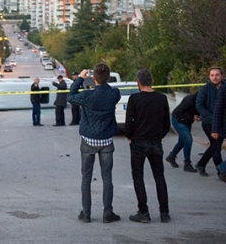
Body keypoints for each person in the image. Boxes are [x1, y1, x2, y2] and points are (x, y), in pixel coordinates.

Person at [68, 63, 121, 224]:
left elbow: (70, 97)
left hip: (88, 140)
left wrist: (80, 79)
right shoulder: (114, 94)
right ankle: (107, 213)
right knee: (107, 178)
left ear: (93, 78)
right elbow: (109, 88)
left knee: (86, 178)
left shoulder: (87, 95)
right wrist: (103, 79)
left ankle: (86, 213)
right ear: (108, 77)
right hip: (106, 141)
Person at [125, 69, 171, 223]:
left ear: (138, 83)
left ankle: (143, 212)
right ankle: (164, 213)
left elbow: (129, 122)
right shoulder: (162, 98)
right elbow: (166, 123)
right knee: (159, 177)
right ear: (152, 81)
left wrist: (129, 136)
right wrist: (160, 136)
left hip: (138, 142)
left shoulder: (134, 99)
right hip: (155, 142)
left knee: (138, 177)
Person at [195, 66, 224, 177]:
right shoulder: (205, 89)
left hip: (222, 123)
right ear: (209, 76)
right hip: (208, 123)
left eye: (217, 75)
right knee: (216, 147)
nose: (214, 77)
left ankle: (201, 164)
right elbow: (199, 105)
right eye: (212, 75)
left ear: (221, 76)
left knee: (214, 146)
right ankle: (221, 171)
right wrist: (213, 117)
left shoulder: (224, 88)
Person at [165, 92, 199, 172]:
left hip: (187, 121)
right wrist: (193, 117)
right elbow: (179, 113)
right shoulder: (189, 100)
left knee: (182, 141)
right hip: (178, 120)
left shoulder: (203, 101)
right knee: (188, 140)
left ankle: (172, 156)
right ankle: (187, 163)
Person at [212, 83, 226, 183]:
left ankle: (222, 167)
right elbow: (218, 109)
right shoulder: (224, 88)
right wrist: (215, 129)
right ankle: (222, 168)